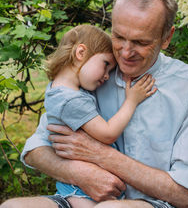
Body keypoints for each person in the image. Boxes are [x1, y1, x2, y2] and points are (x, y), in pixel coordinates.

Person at [0, 0, 188, 208]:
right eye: (119, 37)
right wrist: (81, 174)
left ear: (166, 38)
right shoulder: (92, 74)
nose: (126, 52)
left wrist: (101, 155)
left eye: (141, 42)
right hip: (81, 198)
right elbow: (35, 150)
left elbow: (187, 195)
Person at [42, 24, 157, 207]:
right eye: (105, 65)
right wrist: (132, 101)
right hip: (82, 193)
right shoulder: (70, 100)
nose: (106, 77)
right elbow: (107, 133)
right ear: (80, 53)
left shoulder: (61, 90)